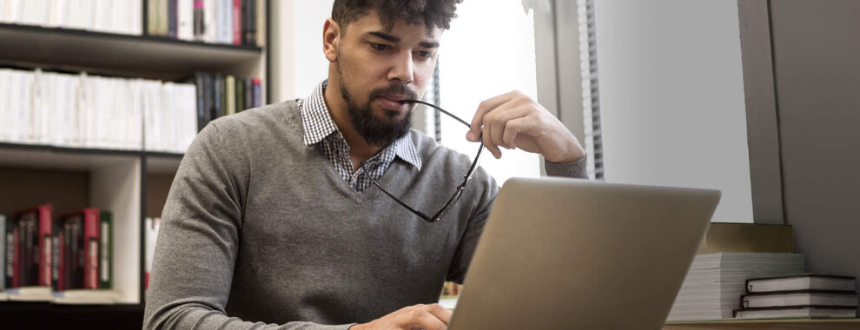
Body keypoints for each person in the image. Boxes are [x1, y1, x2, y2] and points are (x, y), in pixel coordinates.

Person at [143, 1, 587, 329]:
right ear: (331, 40)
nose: (405, 73)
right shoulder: (230, 149)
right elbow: (173, 319)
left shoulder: (458, 180)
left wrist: (565, 157)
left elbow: (561, 304)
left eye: (423, 53)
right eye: (382, 45)